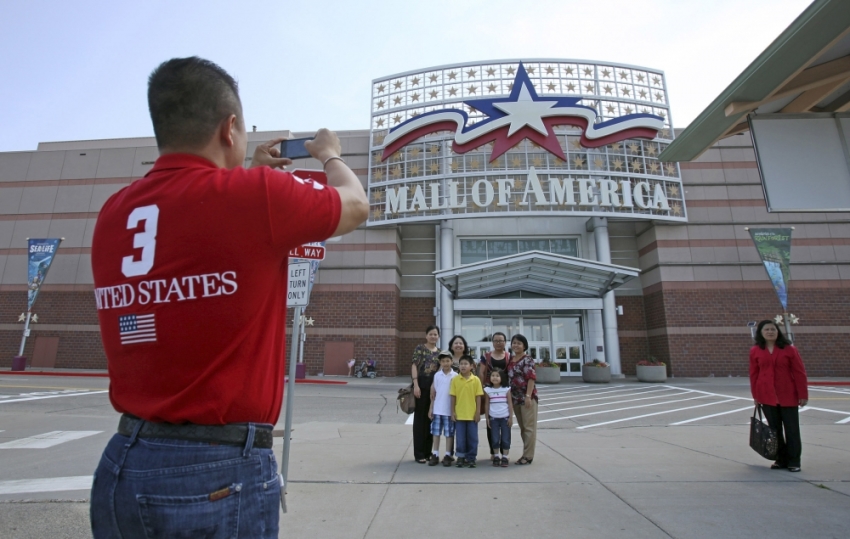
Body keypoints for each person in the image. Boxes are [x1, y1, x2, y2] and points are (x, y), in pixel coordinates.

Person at [88, 57, 369, 538]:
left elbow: (197, 259)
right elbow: (356, 204)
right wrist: (330, 153)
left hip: (123, 462)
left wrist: (249, 173)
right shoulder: (255, 196)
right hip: (216, 473)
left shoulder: (115, 211)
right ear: (230, 126)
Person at [749, 320, 809, 472]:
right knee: (774, 431)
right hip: (766, 396)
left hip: (788, 395)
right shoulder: (755, 350)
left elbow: (799, 372)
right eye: (766, 330)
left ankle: (794, 461)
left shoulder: (789, 349)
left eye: (773, 329)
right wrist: (756, 396)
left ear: (778, 332)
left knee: (792, 429)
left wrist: (803, 394)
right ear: (761, 333)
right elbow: (754, 374)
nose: (770, 332)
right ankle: (781, 460)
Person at [479, 331, 510, 463]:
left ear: (505, 342)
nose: (498, 343)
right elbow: (481, 372)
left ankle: (505, 453)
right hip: (489, 391)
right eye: (496, 340)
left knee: (505, 423)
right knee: (491, 423)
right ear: (492, 342)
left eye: (501, 340)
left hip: (504, 391)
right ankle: (494, 451)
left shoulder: (509, 356)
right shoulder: (486, 356)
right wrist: (481, 388)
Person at [411, 325, 441, 463]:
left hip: (434, 390)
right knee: (420, 420)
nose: (433, 336)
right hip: (421, 388)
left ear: (438, 337)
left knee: (431, 420)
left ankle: (429, 452)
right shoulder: (420, 348)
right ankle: (419, 454)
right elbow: (414, 366)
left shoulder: (440, 353)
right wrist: (415, 384)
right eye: (431, 334)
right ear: (426, 336)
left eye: (435, 334)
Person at [507, 334, 538, 465]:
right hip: (515, 399)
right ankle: (526, 453)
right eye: (514, 343)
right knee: (523, 428)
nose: (516, 345)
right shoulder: (511, 359)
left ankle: (528, 456)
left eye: (519, 343)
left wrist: (528, 396)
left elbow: (531, 377)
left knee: (529, 427)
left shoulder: (528, 360)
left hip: (527, 398)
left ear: (524, 345)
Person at [450, 355, 484, 468]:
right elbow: (453, 397)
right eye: (461, 364)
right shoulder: (455, 379)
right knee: (460, 438)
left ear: (471, 366)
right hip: (459, 414)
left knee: (473, 438)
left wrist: (478, 412)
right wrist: (452, 412)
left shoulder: (476, 380)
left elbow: (478, 397)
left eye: (466, 364)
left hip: (472, 415)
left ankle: (471, 457)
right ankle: (460, 456)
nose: (463, 366)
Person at [428, 350, 458, 466]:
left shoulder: (455, 376)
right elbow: (434, 394)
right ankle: (435, 454)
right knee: (436, 433)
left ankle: (448, 454)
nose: (445, 363)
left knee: (449, 433)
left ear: (452, 361)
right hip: (437, 409)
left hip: (449, 410)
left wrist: (454, 411)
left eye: (447, 361)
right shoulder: (437, 375)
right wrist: (431, 408)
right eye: (443, 361)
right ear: (440, 362)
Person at [483, 368, 514, 467]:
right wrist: (487, 418)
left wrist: (511, 417)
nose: (495, 378)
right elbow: (487, 405)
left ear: (502, 378)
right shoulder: (488, 390)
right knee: (495, 438)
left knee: (505, 439)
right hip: (493, 419)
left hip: (505, 418)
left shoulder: (506, 389)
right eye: (493, 375)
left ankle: (505, 457)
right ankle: (496, 456)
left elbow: (510, 404)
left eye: (497, 376)